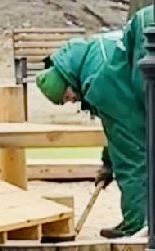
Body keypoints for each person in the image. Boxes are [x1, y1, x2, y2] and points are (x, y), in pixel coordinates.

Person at [35, 30, 147, 238]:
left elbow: (128, 144)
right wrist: (108, 162)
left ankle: (137, 225)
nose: (73, 101)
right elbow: (117, 127)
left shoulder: (98, 81)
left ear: (68, 79)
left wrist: (115, 164)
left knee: (131, 165)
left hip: (151, 94)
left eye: (68, 96)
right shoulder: (94, 52)